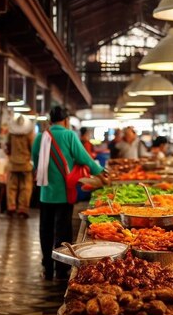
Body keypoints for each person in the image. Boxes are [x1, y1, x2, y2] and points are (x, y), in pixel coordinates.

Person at [32, 106, 107, 281]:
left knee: (46, 230)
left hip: (45, 193)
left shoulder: (40, 137)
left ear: (50, 121)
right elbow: (84, 158)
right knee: (63, 230)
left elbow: (36, 164)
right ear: (66, 121)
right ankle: (61, 269)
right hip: (65, 192)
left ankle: (47, 268)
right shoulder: (69, 135)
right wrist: (101, 172)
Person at [7, 114, 35, 218]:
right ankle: (23, 209)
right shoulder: (29, 134)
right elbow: (32, 148)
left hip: (13, 164)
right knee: (25, 187)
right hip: (25, 165)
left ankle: (11, 206)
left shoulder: (11, 134)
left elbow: (7, 147)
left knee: (12, 187)